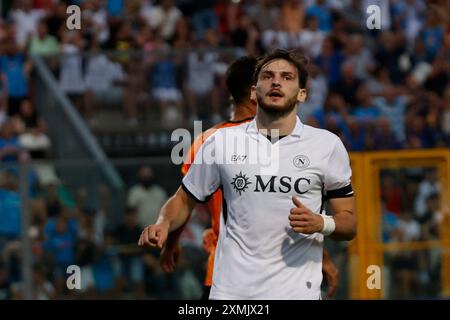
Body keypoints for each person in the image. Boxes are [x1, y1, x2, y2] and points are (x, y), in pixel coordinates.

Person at [139, 49, 356, 299]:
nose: (276, 81)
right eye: (268, 76)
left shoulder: (327, 146)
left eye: (287, 77)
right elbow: (183, 200)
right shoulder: (219, 142)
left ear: (302, 94)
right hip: (232, 293)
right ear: (254, 91)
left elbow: (349, 223)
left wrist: (322, 224)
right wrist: (163, 223)